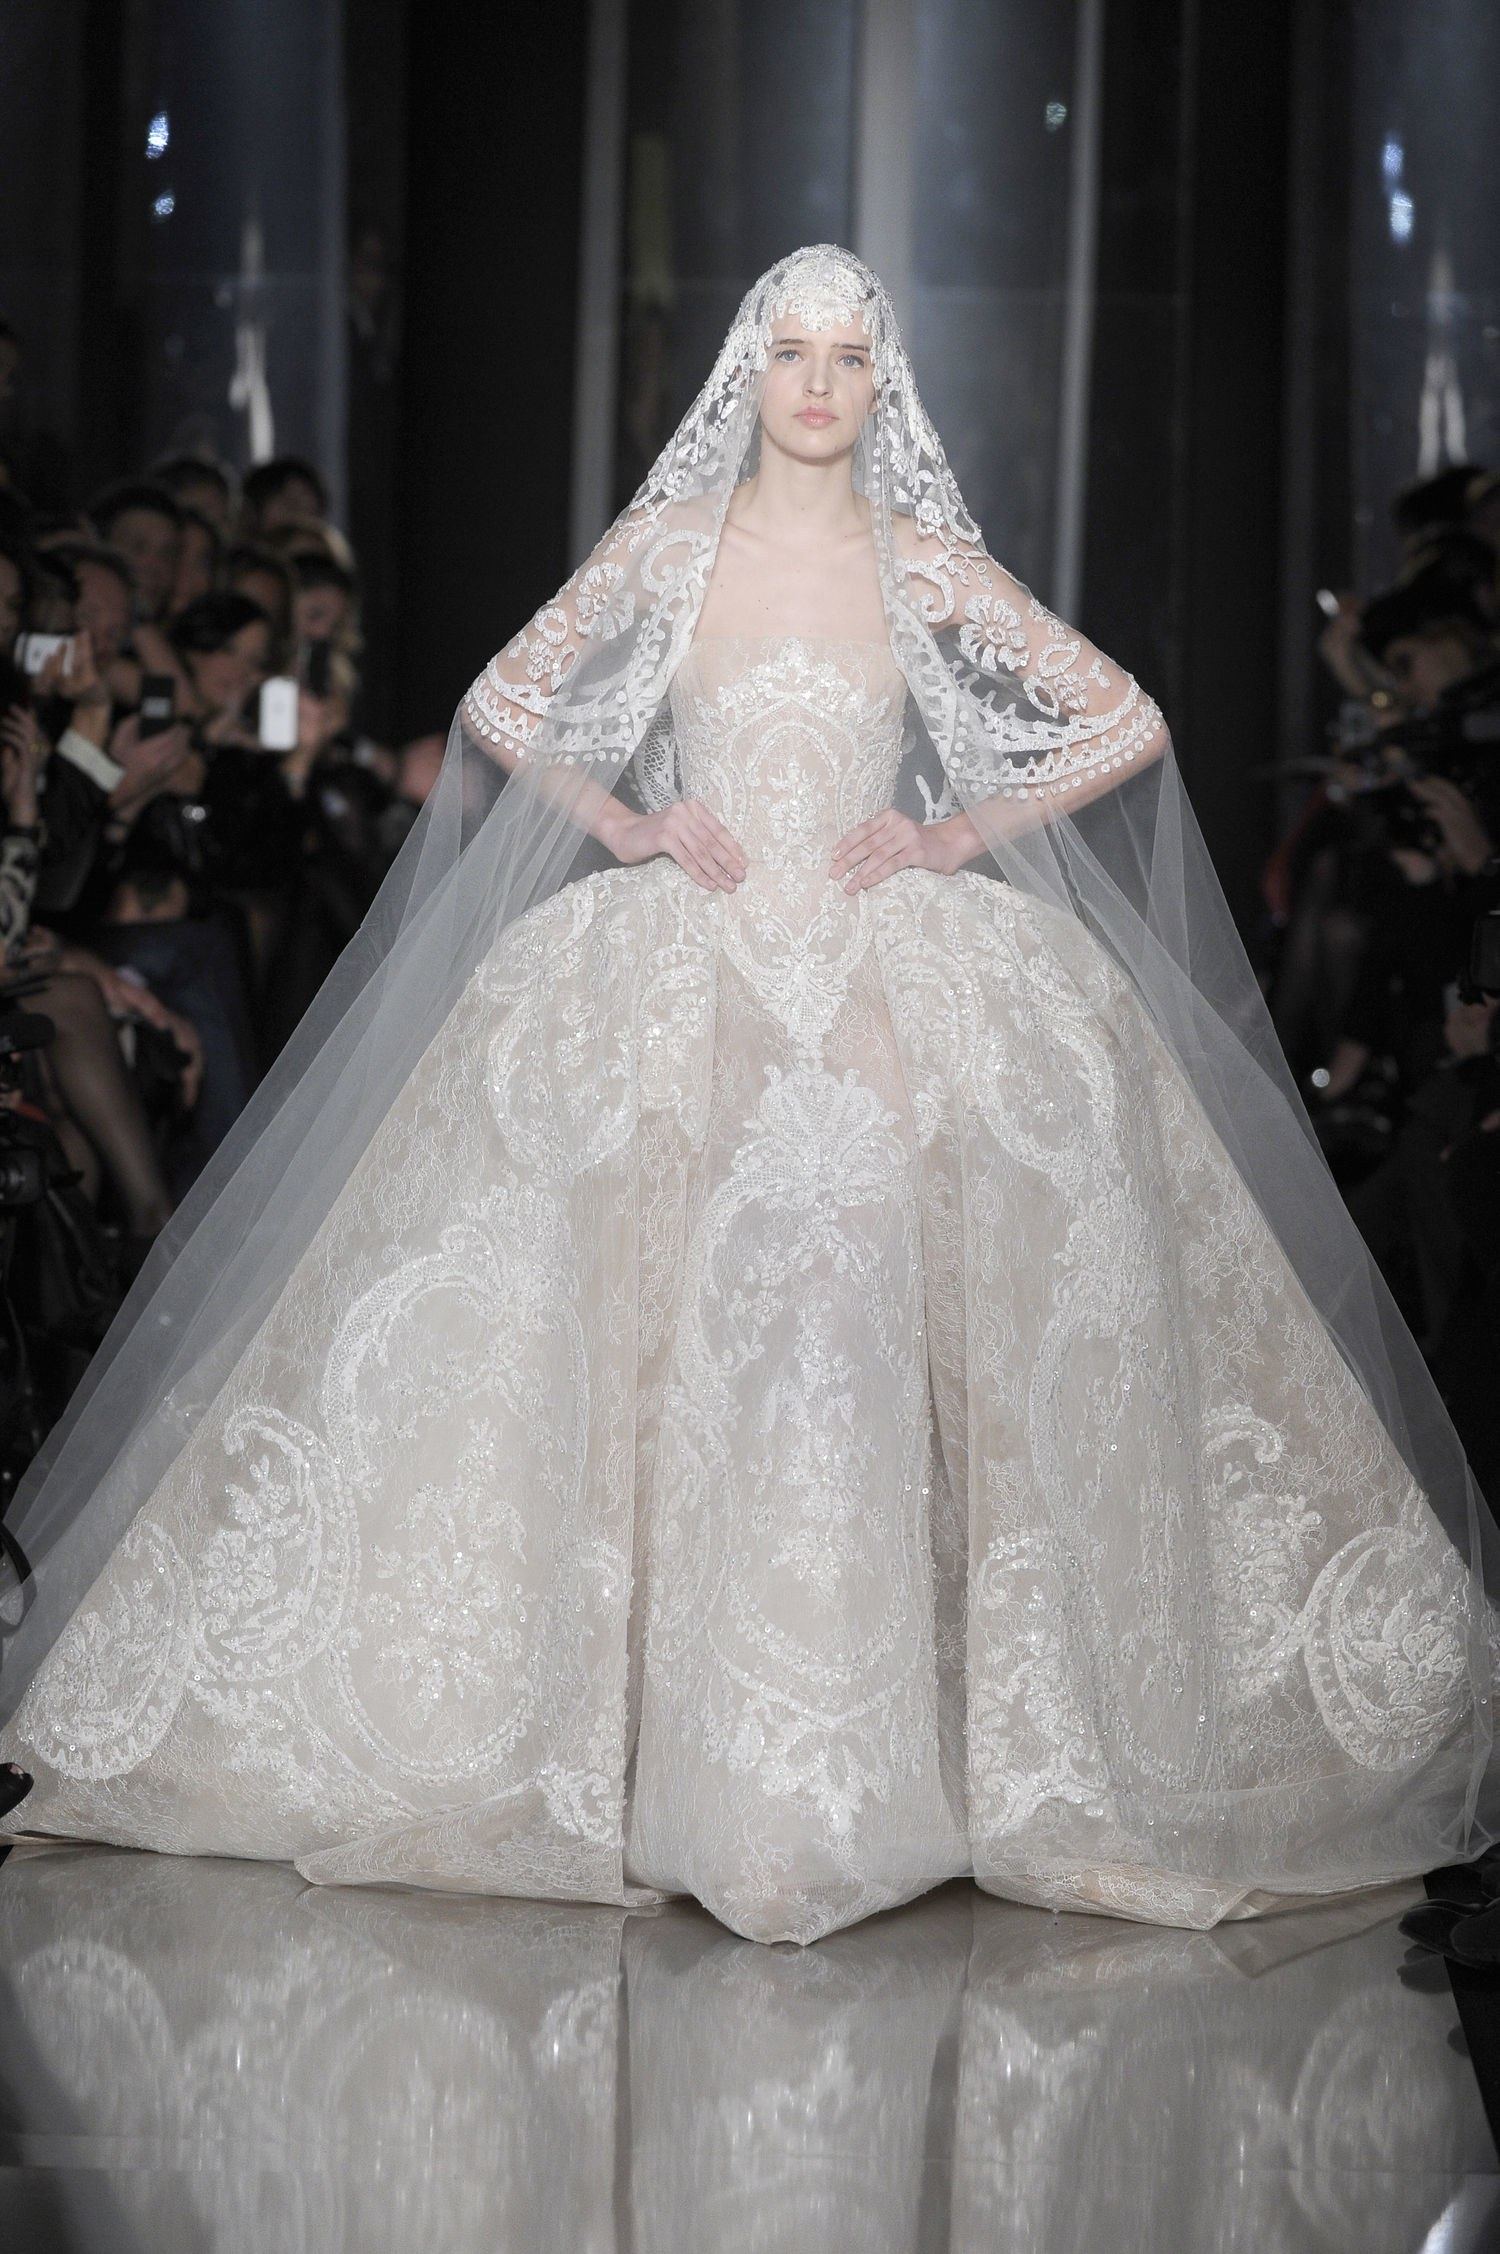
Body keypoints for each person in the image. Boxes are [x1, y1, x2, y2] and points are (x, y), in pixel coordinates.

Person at [0, 247, 1495, 1947]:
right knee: (647, 1328)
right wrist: (628, 823)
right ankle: (658, 1740)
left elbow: (1124, 718)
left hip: (866, 974)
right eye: (789, 352)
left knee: (851, 1329)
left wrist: (949, 835)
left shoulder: (922, 564)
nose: (815, 383)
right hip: (688, 970)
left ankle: (848, 1753)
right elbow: (500, 703)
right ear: (746, 370)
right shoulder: (670, 547)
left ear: (881, 383)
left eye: (848, 357)